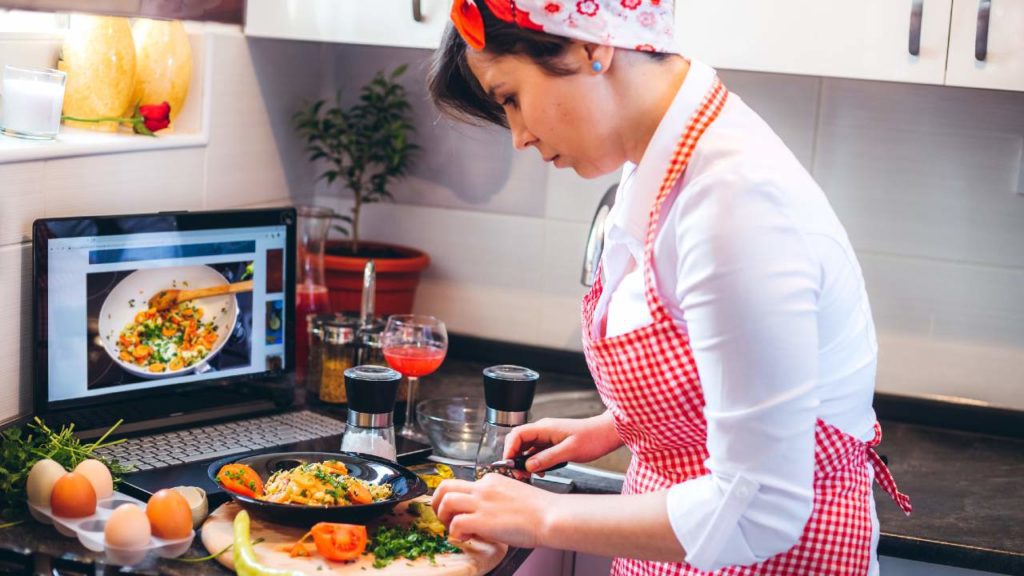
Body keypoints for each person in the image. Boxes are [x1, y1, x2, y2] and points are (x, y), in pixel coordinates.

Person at [426, 1, 912, 574]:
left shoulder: (734, 202)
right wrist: (616, 427)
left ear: (591, 46)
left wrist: (541, 516)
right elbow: (721, 377)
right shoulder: (661, 158)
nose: (519, 136)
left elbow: (760, 509)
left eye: (510, 97)